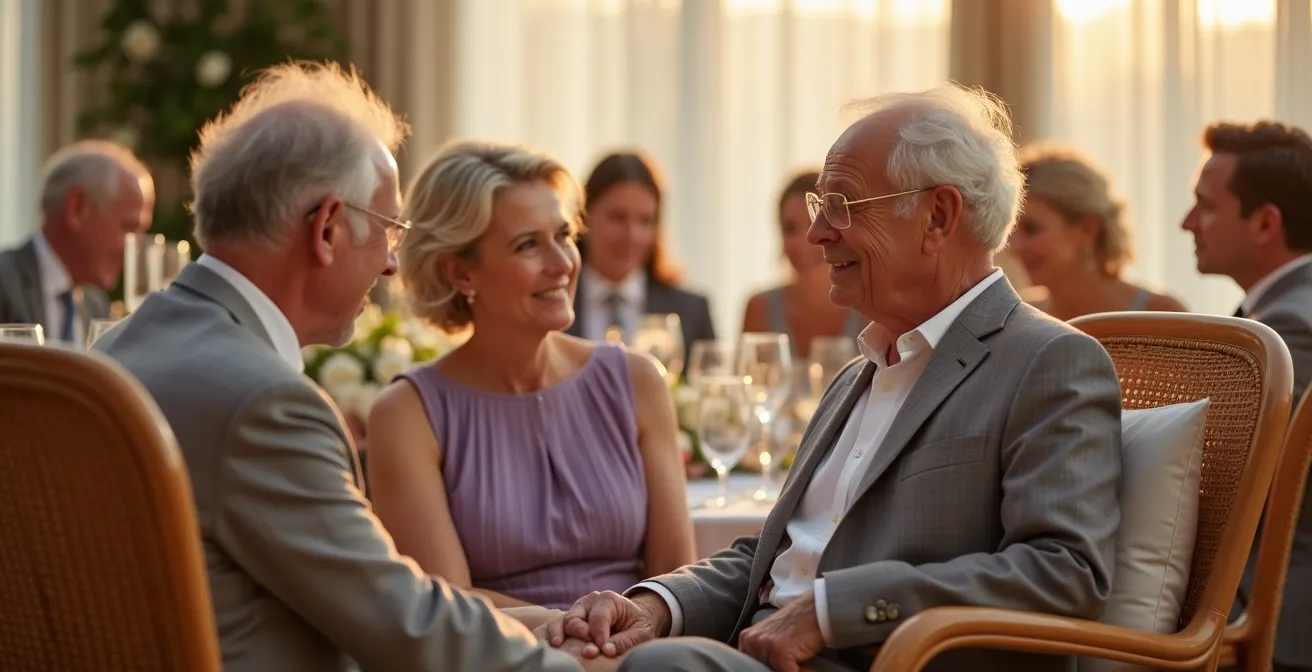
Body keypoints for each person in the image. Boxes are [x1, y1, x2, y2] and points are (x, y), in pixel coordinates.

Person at [539, 84, 1124, 672]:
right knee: (570, 655)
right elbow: (779, 553)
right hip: (760, 653)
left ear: (937, 216)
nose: (818, 235)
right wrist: (656, 606)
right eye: (820, 209)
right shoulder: (856, 375)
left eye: (842, 205)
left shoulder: (1048, 360)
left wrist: (832, 611)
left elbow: (1064, 570)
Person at [93, 61, 612, 672]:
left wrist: (544, 626)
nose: (392, 266)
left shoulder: (118, 348)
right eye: (390, 230)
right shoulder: (264, 404)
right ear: (328, 230)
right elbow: (404, 625)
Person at [367, 140, 697, 619]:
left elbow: (676, 579)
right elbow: (446, 607)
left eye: (563, 236)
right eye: (528, 245)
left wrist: (624, 635)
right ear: (459, 271)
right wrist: (580, 630)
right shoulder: (407, 413)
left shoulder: (638, 380)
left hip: (642, 652)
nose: (563, 263)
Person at [1182, 120, 1312, 672]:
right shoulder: (1278, 313)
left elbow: (1235, 484)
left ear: (1265, 222)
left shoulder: (1290, 326)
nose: (1187, 222)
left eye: (1205, 206)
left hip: (1274, 618)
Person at [566, 151, 715, 365]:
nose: (631, 235)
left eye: (645, 221)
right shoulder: (554, 304)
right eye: (618, 218)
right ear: (584, 216)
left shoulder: (690, 311)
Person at [0, 140, 153, 344]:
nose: (134, 248)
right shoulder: (5, 284)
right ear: (77, 208)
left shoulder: (95, 306)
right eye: (129, 227)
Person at [1008, 143, 1184, 319]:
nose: (1014, 247)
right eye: (1013, 230)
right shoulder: (1021, 315)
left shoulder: (1163, 317)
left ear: (1088, 229)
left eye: (1031, 229)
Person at [740, 170, 867, 357]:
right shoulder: (759, 308)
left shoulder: (869, 309)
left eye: (815, 223)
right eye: (790, 229)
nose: (805, 241)